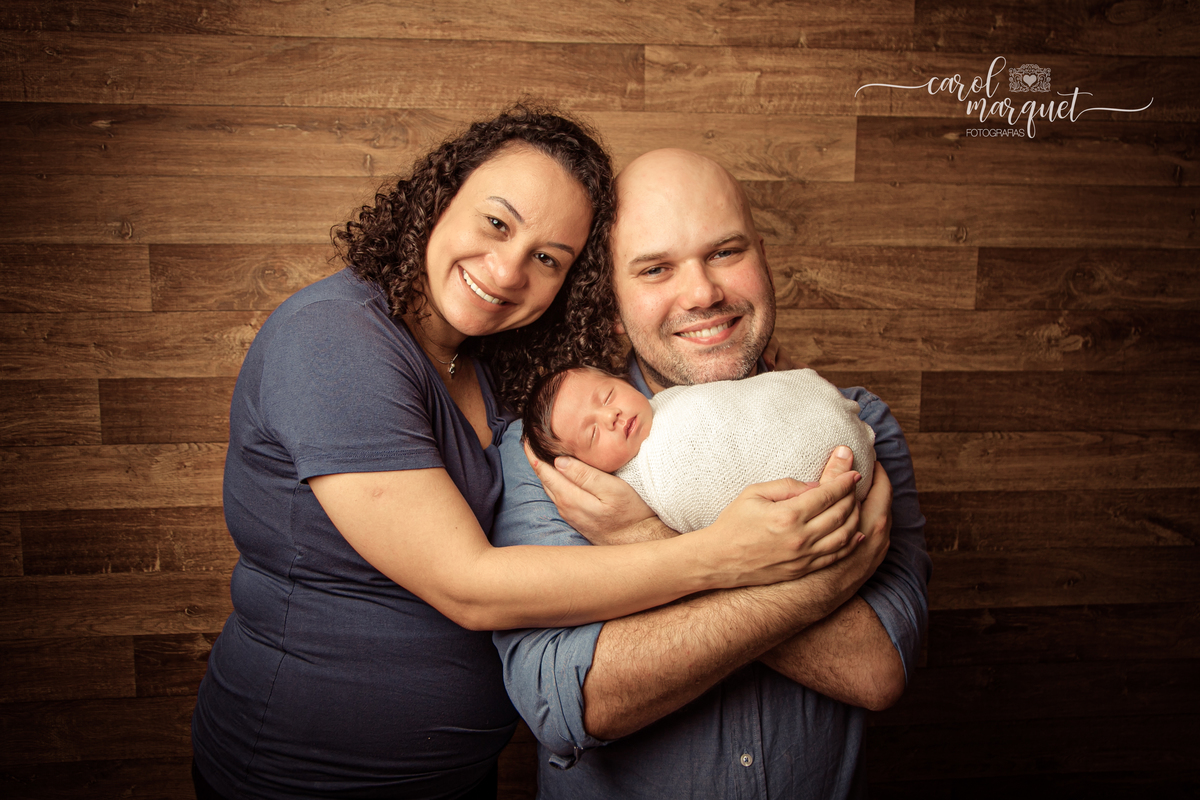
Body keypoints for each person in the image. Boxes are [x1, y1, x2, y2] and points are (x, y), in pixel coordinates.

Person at [190, 111, 870, 800]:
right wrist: (720, 555)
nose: (509, 268)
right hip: (301, 776)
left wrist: (764, 411)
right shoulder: (333, 340)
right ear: (439, 196)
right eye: (496, 223)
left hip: (456, 776)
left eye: (549, 258)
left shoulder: (490, 365)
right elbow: (468, 584)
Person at [492, 148, 932, 798]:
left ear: (764, 261)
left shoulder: (856, 425)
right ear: (611, 304)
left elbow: (874, 670)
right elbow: (572, 707)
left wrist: (645, 539)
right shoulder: (562, 454)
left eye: (725, 252)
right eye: (655, 268)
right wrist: (808, 588)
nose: (702, 293)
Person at [522, 365, 876, 532]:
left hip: (813, 416)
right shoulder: (632, 488)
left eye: (608, 395)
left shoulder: (669, 399)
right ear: (584, 468)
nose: (611, 415)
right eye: (593, 434)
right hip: (818, 487)